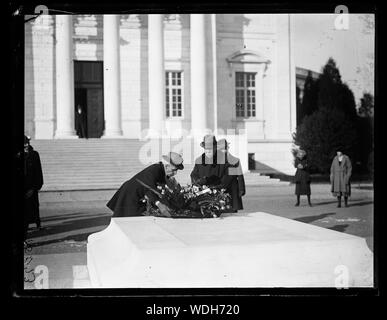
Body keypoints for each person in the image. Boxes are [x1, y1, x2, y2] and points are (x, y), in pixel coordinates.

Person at [107, 152, 184, 217]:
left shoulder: (161, 171)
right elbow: (149, 188)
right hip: (131, 193)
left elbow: (155, 190)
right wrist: (159, 204)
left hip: (138, 194)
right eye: (174, 170)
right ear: (167, 166)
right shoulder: (155, 170)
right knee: (127, 218)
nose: (175, 173)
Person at [216, 138, 245, 212]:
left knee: (231, 210)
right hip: (220, 189)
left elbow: (240, 176)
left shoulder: (234, 160)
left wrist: (241, 189)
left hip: (231, 189)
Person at [24, 135, 44, 239]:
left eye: (27, 142)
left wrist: (35, 187)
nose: (26, 145)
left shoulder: (34, 154)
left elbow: (38, 172)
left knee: (34, 207)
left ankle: (37, 223)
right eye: (24, 143)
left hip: (32, 188)